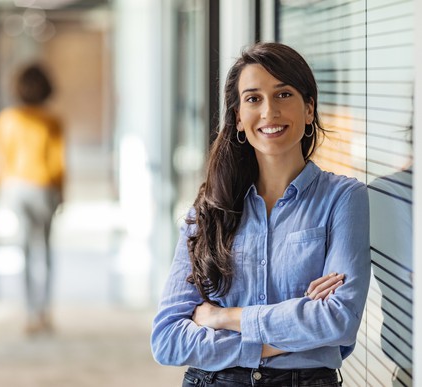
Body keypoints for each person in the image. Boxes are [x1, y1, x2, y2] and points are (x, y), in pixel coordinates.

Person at [151, 42, 370, 386]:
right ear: (238, 117)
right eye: (253, 99)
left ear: (309, 109)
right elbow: (167, 340)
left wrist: (224, 316)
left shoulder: (343, 199)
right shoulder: (209, 209)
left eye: (283, 95)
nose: (269, 112)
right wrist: (292, 333)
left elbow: (338, 320)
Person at [0, 63, 64, 334]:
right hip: (44, 187)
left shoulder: (7, 119)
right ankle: (43, 312)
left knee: (23, 250)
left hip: (16, 188)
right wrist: (62, 194)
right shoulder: (52, 120)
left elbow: (2, 159)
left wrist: (1, 192)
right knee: (43, 250)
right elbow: (58, 162)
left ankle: (29, 314)